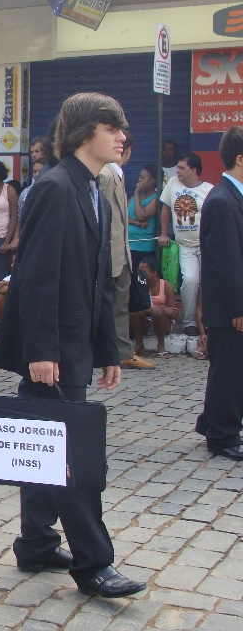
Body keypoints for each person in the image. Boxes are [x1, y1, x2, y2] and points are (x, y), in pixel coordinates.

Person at [0, 92, 145, 599]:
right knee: (71, 458)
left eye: (122, 128)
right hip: (51, 352)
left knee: (43, 446)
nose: (122, 136)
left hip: (74, 346)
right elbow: (37, 276)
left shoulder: (93, 187)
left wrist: (108, 350)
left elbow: (97, 280)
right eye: (111, 127)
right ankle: (94, 564)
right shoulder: (56, 188)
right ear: (83, 133)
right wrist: (41, 350)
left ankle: (36, 544)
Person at [196, 126, 243, 460]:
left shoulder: (232, 197)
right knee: (229, 372)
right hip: (229, 309)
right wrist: (239, 307)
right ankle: (223, 435)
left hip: (232, 306)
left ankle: (211, 422)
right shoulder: (222, 201)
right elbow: (226, 263)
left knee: (227, 368)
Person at [99, 131, 154, 371]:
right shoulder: (106, 174)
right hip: (109, 250)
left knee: (120, 304)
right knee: (108, 303)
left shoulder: (116, 173)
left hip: (121, 251)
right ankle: (112, 351)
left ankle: (122, 352)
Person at [159, 152, 214, 336]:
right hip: (184, 246)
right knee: (190, 281)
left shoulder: (209, 190)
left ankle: (207, 322)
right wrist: (164, 233)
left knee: (208, 283)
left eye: (182, 168)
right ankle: (190, 322)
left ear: (194, 170)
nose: (178, 171)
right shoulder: (173, 183)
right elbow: (165, 209)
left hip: (206, 246)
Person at [130, 256, 177, 359]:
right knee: (134, 312)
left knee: (157, 311)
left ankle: (161, 345)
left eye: (144, 272)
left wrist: (160, 310)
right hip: (145, 322)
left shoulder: (166, 286)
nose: (140, 275)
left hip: (163, 322)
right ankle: (139, 344)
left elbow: (172, 313)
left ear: (154, 273)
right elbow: (135, 307)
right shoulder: (138, 286)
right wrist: (159, 309)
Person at [128, 163, 159, 271]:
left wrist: (137, 194)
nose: (139, 180)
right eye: (139, 177)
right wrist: (136, 223)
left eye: (143, 178)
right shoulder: (133, 198)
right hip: (128, 245)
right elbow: (122, 217)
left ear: (153, 180)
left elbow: (141, 216)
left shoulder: (155, 198)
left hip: (143, 247)